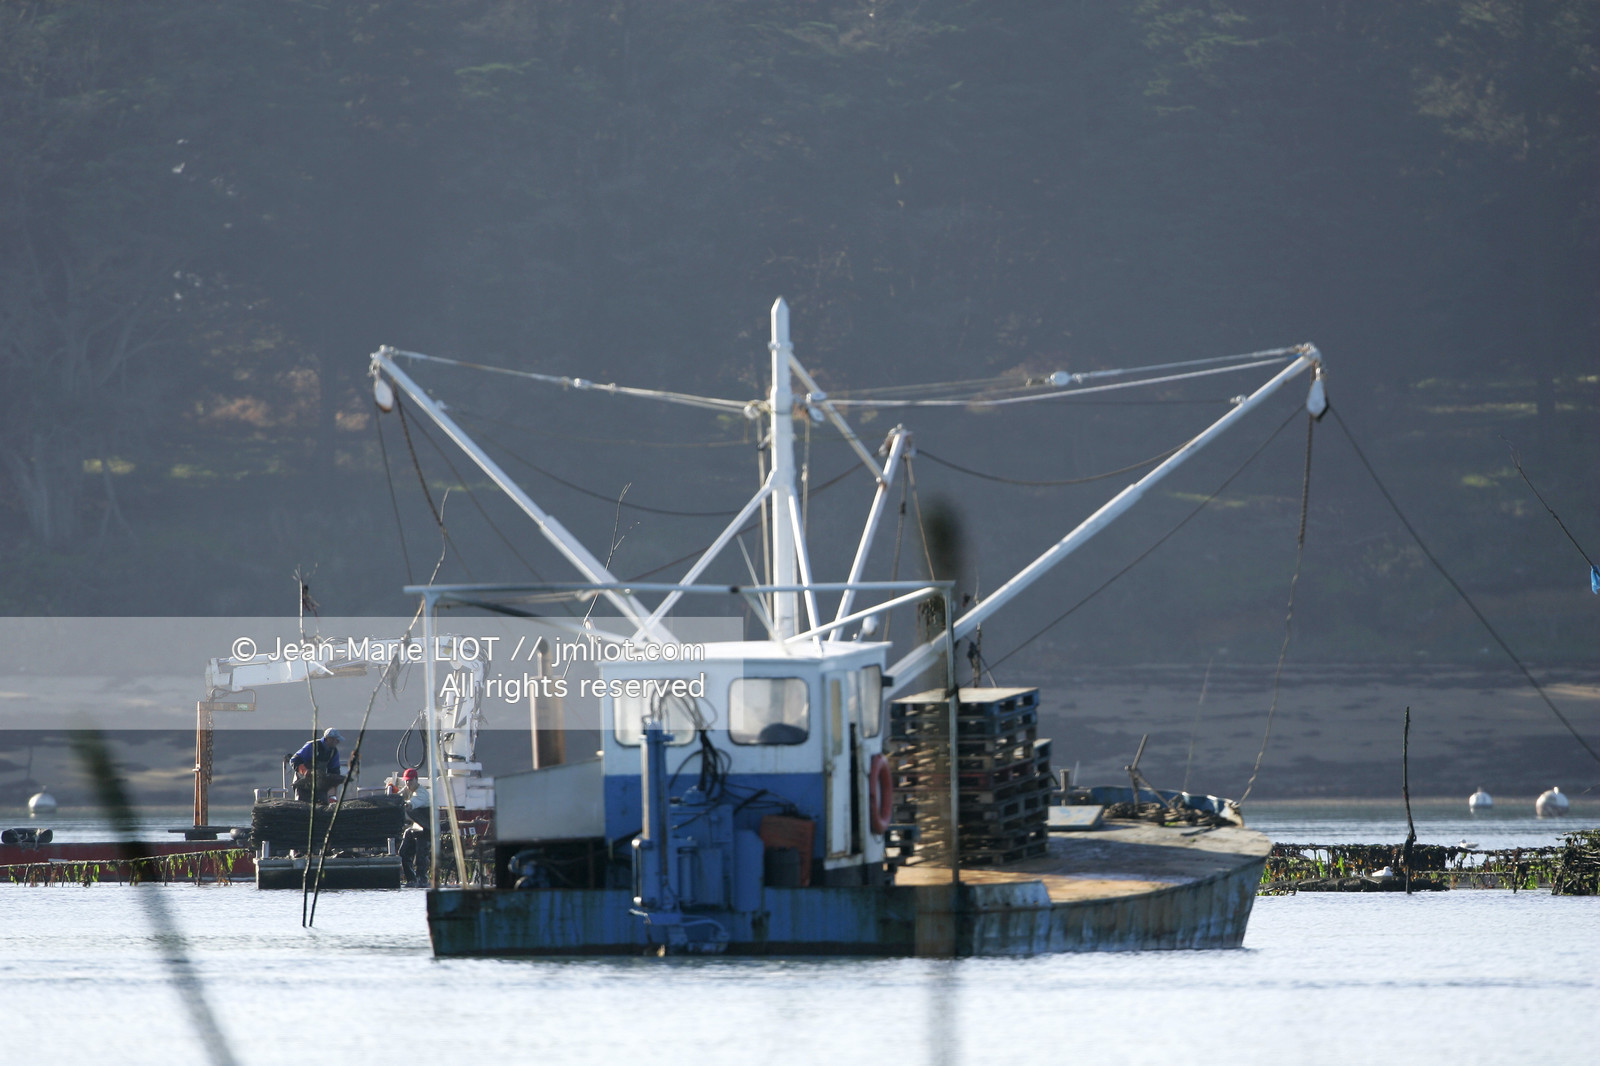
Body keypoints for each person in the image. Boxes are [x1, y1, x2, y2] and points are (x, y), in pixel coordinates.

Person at [290, 728, 346, 803]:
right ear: (329, 739)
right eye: (336, 740)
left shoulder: (334, 752)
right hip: (302, 784)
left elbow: (334, 771)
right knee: (302, 806)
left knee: (322, 805)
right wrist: (306, 771)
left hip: (320, 785)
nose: (338, 742)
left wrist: (333, 790)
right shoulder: (312, 746)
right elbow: (294, 760)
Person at [397, 767, 431, 886]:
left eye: (410, 781)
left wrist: (408, 805)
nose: (408, 783)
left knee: (421, 857)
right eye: (406, 781)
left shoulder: (422, 793)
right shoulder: (407, 789)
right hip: (416, 826)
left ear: (416, 779)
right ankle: (411, 879)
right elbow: (398, 796)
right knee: (403, 853)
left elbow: (415, 802)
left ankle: (422, 880)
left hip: (426, 827)